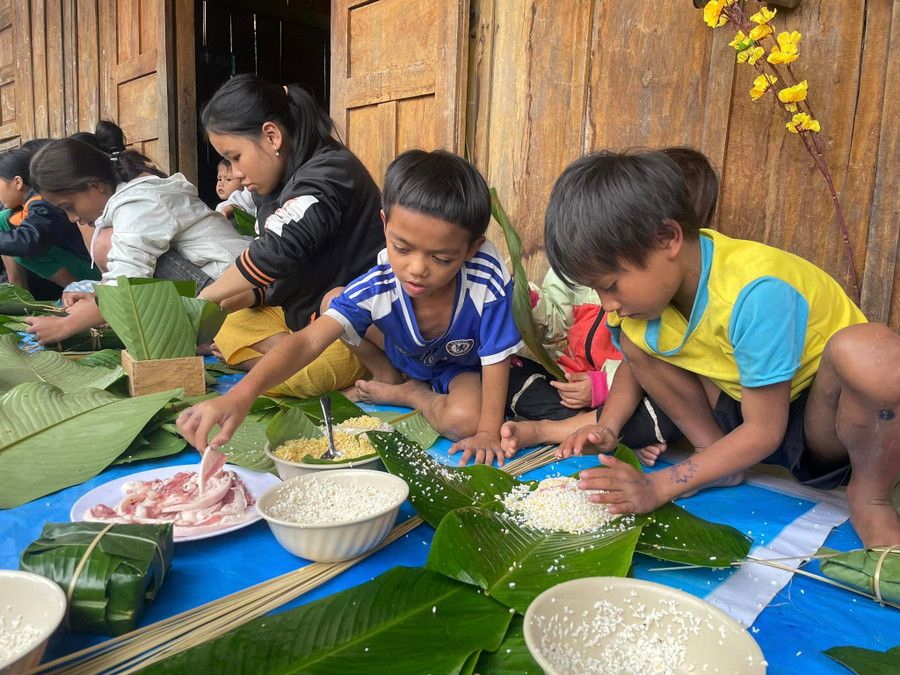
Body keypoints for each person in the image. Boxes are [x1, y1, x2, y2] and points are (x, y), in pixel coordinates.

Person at [542, 149, 899, 548]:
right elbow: (634, 362)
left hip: (824, 419)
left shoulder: (755, 292)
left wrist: (659, 486)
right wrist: (607, 426)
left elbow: (765, 430)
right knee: (634, 339)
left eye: (610, 285)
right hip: (741, 409)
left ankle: (871, 496)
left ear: (667, 239)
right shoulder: (642, 302)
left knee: (873, 352)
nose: (607, 303)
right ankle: (714, 457)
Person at [178, 150, 523, 467]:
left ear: (471, 248)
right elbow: (307, 342)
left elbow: (496, 358)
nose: (417, 268)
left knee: (464, 423)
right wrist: (240, 396)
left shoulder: (486, 281)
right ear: (385, 223)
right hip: (401, 352)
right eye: (402, 248)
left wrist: (489, 434)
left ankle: (411, 394)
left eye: (441, 258)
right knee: (333, 304)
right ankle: (392, 380)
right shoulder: (379, 284)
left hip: (457, 368)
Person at [502, 147, 718, 463]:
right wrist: (527, 299)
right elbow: (555, 324)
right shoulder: (583, 268)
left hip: (616, 399)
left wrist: (602, 387)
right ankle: (610, 434)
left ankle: (550, 431)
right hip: (568, 387)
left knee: (673, 411)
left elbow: (655, 368)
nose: (607, 305)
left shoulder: (669, 295)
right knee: (503, 372)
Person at [192, 74, 385, 398]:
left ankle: (276, 359)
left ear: (271, 136)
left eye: (236, 157)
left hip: (348, 331)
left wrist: (202, 300)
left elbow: (277, 251)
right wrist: (250, 297)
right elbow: (294, 272)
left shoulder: (330, 173)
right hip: (301, 318)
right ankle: (279, 353)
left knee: (294, 377)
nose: (235, 174)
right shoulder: (277, 184)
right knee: (229, 321)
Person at [23, 137, 249, 343]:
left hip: (233, 294)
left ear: (94, 185)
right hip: (215, 285)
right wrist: (96, 298)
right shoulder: (133, 198)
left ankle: (213, 338)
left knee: (108, 244)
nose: (73, 218)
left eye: (69, 207)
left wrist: (64, 326)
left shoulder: (139, 204)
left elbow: (125, 284)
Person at [0, 141, 99, 291]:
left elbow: (29, 241)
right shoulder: (26, 205)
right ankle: (18, 289)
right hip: (75, 263)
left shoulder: (43, 202)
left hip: (93, 271)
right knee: (4, 220)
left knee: (24, 251)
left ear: (18, 182)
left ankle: (81, 291)